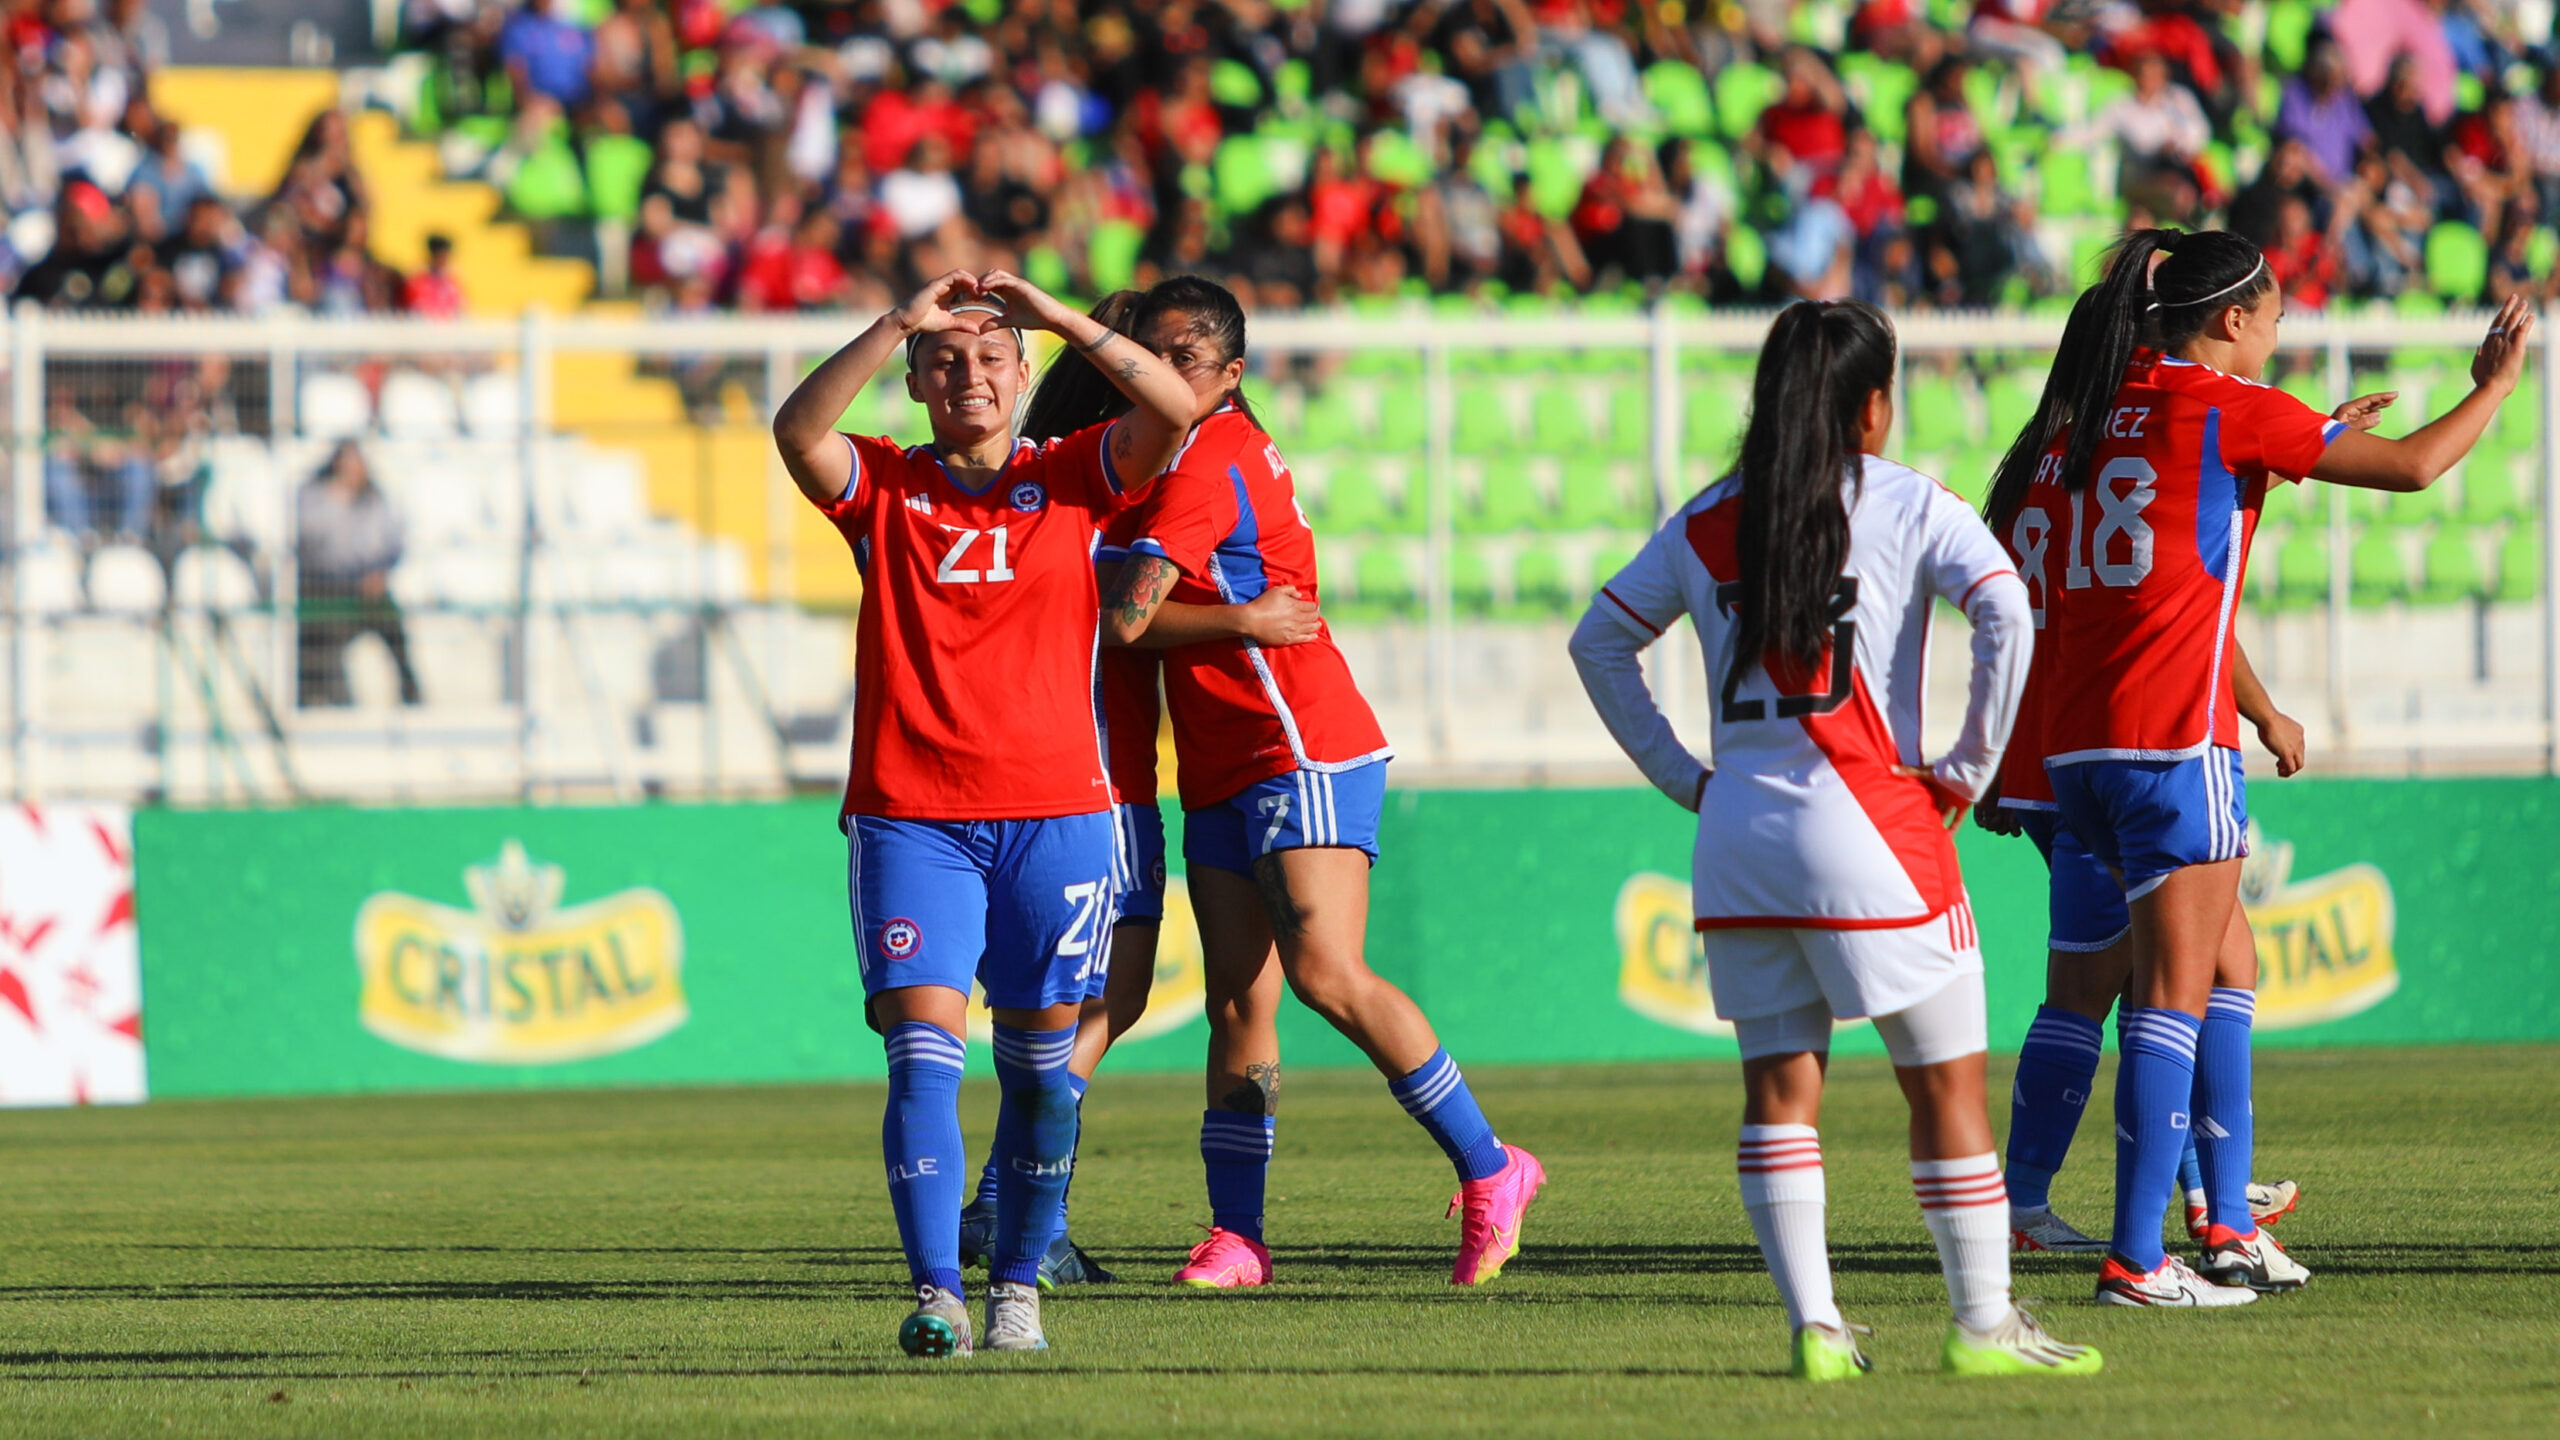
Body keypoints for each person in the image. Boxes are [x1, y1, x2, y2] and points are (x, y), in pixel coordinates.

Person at [1994, 229, 2532, 1307]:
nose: (2280, 333)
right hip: (2170, 744)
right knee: (2168, 1004)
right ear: (2231, 319)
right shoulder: (2223, 408)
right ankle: (2145, 1256)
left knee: (2215, 970)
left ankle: (2222, 1221)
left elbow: (2161, 566)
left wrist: (2315, 429)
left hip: (2072, 751)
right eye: (2276, 316)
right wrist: (2495, 386)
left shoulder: (2088, 419)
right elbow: (2420, 467)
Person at [1569, 299, 2098, 1379]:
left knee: (1778, 1091)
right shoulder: (1905, 501)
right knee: (1942, 1086)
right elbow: (2008, 608)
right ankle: (1983, 1325)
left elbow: (1599, 643)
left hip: (1738, 837)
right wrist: (1969, 762)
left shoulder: (1710, 514)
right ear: (1871, 405)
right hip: (1871, 825)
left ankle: (1815, 1329)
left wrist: (1683, 777)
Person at [769, 267, 1197, 1357]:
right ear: (914, 383)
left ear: (1019, 380)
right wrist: (896, 320)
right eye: (944, 361)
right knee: (921, 1054)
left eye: (989, 359)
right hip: (912, 820)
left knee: (1040, 1076)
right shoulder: (882, 487)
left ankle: (1017, 1285)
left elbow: (1172, 410)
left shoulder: (1074, 476)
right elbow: (797, 425)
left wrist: (1053, 317)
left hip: (1056, 819)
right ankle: (937, 1293)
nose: (969, 375)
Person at [1091, 276, 1546, 1291]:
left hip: (1300, 743)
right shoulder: (1175, 454)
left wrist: (1231, 623)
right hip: (1216, 759)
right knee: (1236, 1005)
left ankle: (1492, 1167)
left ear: (1230, 375)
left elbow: (1123, 619)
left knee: (1325, 973)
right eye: (1149, 355)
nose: (1165, 374)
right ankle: (1238, 1236)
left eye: (1186, 358)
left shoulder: (1210, 460)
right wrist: (1236, 617)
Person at [949, 291, 1324, 1288]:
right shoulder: (1099, 501)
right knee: (1097, 1009)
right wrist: (1242, 618)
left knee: (1063, 1010)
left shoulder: (1029, 496)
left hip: (1025, 779)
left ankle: (1007, 1202)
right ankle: (1011, 1205)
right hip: (1099, 780)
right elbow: (1126, 618)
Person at [1975, 292, 2305, 1258]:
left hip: (2053, 751)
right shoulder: (2129, 447)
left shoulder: (2046, 458)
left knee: (2177, 970)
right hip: (2119, 744)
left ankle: (2201, 1186)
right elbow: (2159, 606)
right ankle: (2084, 1210)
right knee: (2129, 982)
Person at [296, 440, 422, 708]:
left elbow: (393, 543)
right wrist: (336, 501)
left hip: (367, 586)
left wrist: (380, 571)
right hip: (325, 586)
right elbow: (310, 544)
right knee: (326, 628)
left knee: (392, 622)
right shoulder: (316, 497)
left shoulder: (376, 499)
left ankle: (411, 692)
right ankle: (328, 696)